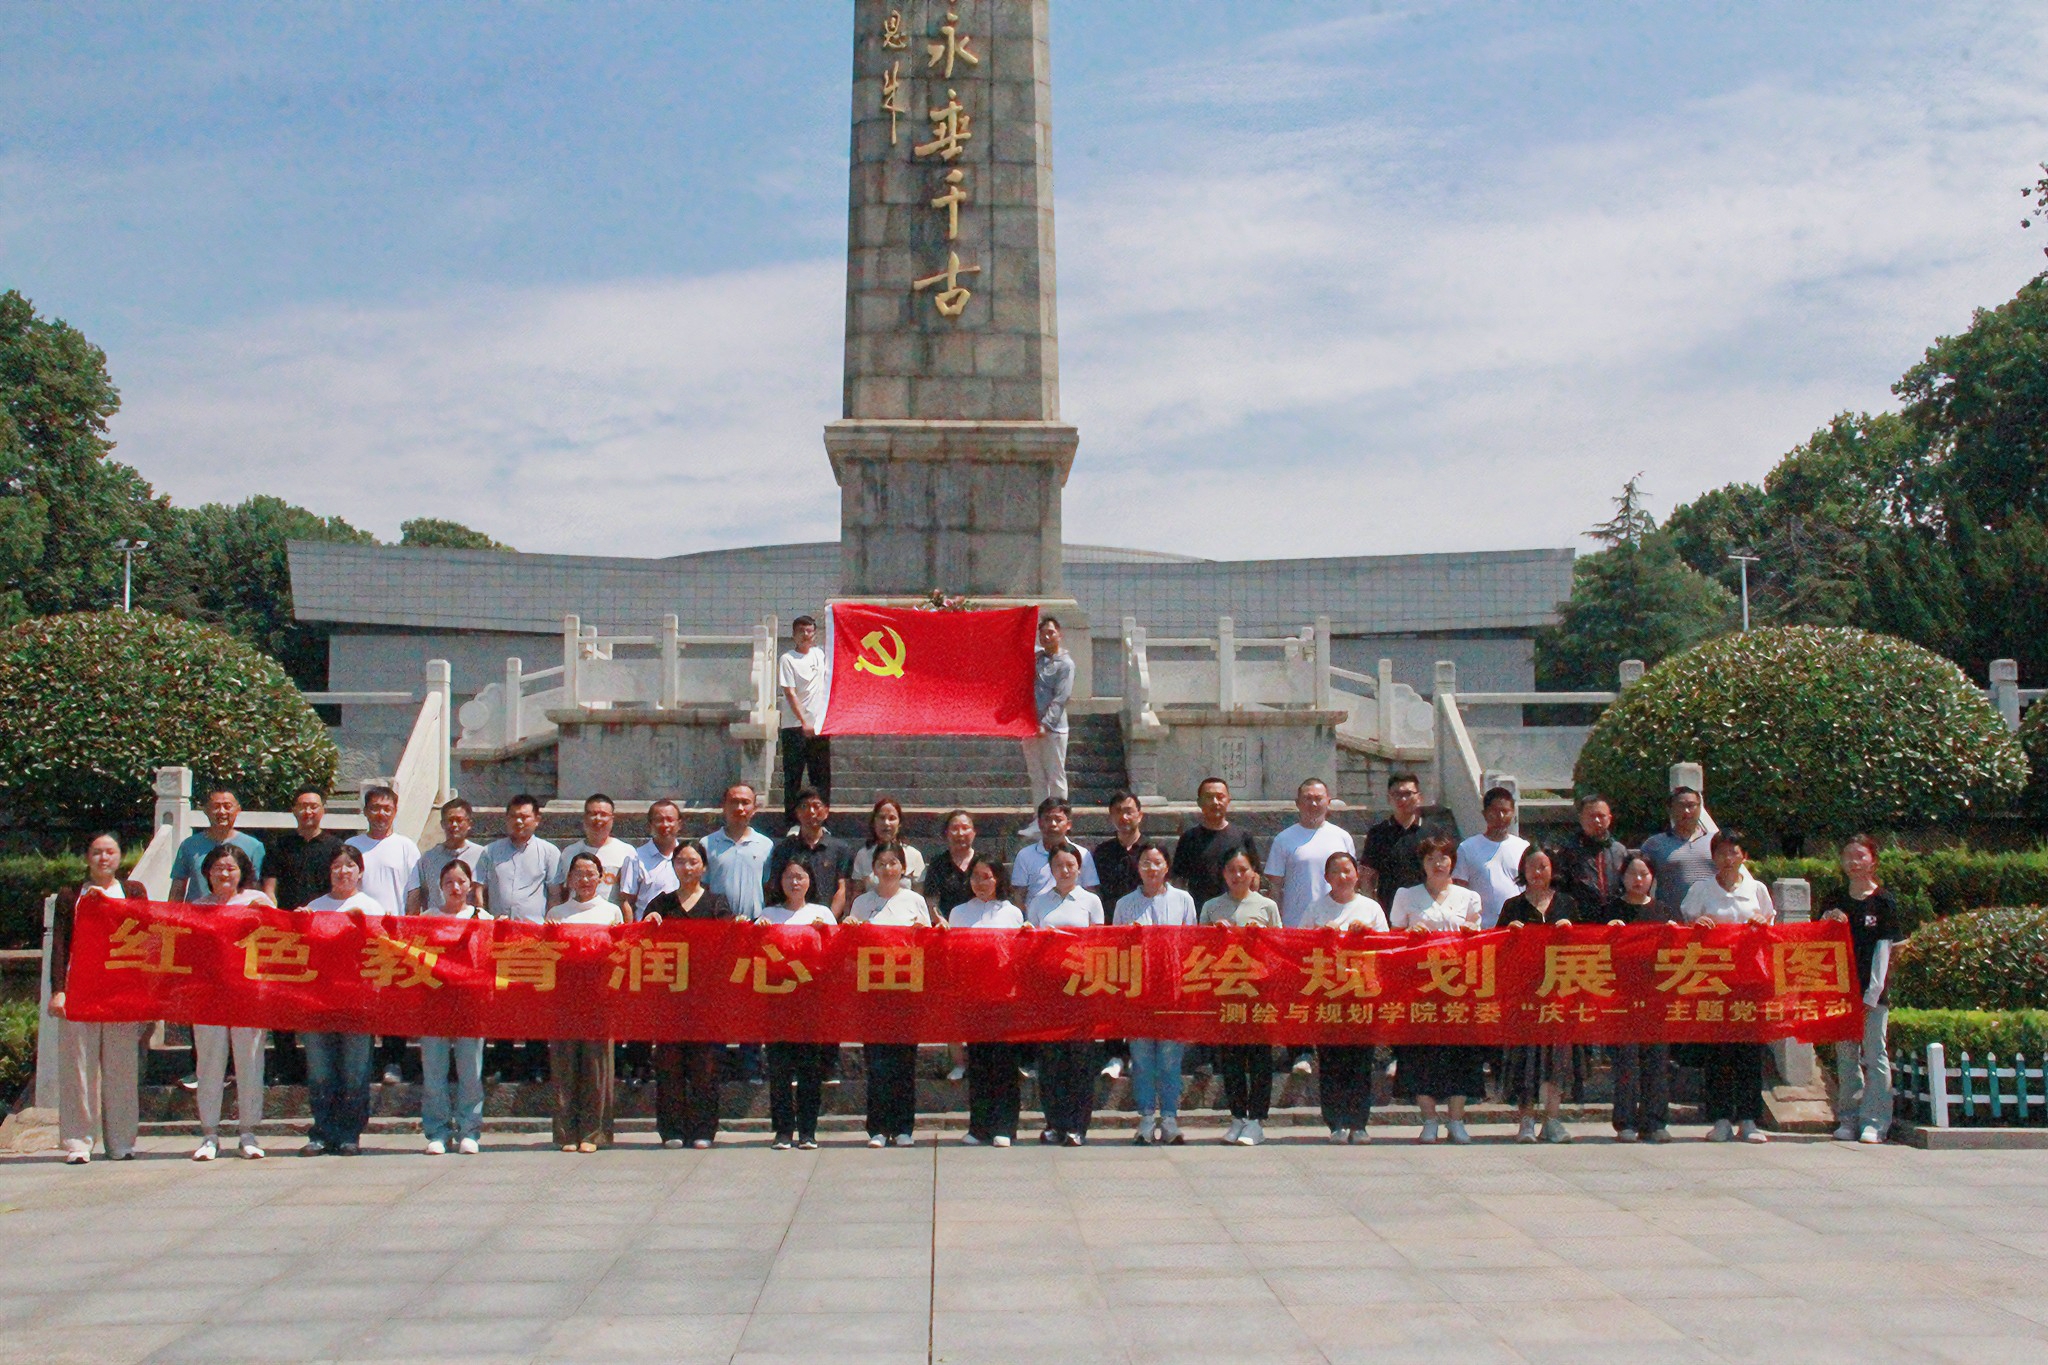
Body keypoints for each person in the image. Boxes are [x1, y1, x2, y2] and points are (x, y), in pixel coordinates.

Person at [49, 833, 147, 1164]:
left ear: (120, 857)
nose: (103, 858)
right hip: (81, 989)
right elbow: (60, 944)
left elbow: (145, 935)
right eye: (96, 852)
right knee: (79, 1068)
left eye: (110, 852)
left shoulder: (133, 892)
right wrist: (58, 990)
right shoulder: (71, 895)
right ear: (87, 857)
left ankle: (121, 1142)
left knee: (122, 1068)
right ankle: (78, 1142)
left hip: (121, 992)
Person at [1680, 829, 1776, 1143]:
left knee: (1749, 1050)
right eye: (1722, 852)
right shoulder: (1701, 889)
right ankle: (1720, 1118)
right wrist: (1697, 926)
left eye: (1734, 852)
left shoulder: (1757, 889)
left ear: (1744, 856)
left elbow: (1772, 929)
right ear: (1713, 856)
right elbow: (1684, 929)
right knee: (1718, 1051)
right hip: (1714, 981)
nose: (1728, 858)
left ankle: (1749, 1119)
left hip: (1750, 981)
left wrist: (1762, 924)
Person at [1389, 835, 1485, 1144]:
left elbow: (1480, 938)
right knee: (1420, 1054)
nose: (1438, 864)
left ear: (1453, 862)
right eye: (1431, 858)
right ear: (1422, 864)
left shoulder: (1468, 897)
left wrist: (1472, 933)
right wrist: (1409, 934)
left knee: (1461, 1053)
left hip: (1458, 987)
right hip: (1420, 988)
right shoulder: (1406, 895)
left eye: (1443, 858)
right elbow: (1393, 938)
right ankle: (1429, 1119)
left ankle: (1456, 1120)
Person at [641, 841, 732, 1149]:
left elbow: (730, 941)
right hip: (668, 998)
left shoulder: (717, 903)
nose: (687, 867)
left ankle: (704, 1129)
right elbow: (642, 946)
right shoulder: (661, 904)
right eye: (681, 861)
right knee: (669, 1065)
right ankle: (672, 1130)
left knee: (705, 1067)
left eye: (693, 862)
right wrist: (648, 926)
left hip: (706, 999)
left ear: (703, 867)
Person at [1265, 777, 1357, 1074]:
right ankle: (1300, 1051)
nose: (1314, 803)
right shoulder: (1284, 839)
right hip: (1297, 928)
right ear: (1297, 803)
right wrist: (1278, 927)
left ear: (1329, 801)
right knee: (1299, 992)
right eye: (1308, 798)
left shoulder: (1342, 837)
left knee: (1334, 989)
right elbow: (1275, 887)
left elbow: (1352, 880)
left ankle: (1335, 1049)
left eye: (1319, 798)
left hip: (1337, 927)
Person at [189, 844, 275, 1161]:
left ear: (242, 872)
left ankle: (248, 1132)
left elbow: (280, 938)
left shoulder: (258, 901)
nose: (224, 873)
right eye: (218, 868)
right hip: (208, 996)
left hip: (248, 995)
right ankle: (209, 1134)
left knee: (250, 1062)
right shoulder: (197, 907)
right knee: (209, 1065)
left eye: (231, 868)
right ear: (207, 873)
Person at [846, 844, 935, 1147]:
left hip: (906, 992)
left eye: (893, 862)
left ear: (903, 867)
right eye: (881, 864)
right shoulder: (862, 903)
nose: (887, 869)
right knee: (877, 1063)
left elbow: (928, 946)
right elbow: (852, 948)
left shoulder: (915, 901)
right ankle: (878, 1128)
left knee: (904, 1063)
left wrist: (923, 932)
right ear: (873, 869)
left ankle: (904, 1127)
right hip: (873, 992)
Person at [299, 845, 382, 1156]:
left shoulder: (372, 907)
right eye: (337, 865)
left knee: (354, 1072)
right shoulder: (315, 907)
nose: (343, 871)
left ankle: (350, 1134)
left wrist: (365, 927)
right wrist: (298, 924)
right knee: (320, 1071)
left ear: (360, 872)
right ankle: (321, 1132)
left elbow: (382, 951)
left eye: (350, 865)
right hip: (318, 1001)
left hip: (357, 1003)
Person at [1113, 844, 1197, 1145]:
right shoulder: (1125, 904)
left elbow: (1192, 944)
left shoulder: (1183, 900)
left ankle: (1170, 1118)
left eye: (1157, 862)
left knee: (1170, 1059)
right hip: (1139, 993)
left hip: (1172, 992)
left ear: (1167, 867)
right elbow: (1115, 950)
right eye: (1145, 863)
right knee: (1142, 1059)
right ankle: (1146, 1118)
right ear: (1138, 868)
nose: (1151, 869)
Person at [474, 794, 561, 1083]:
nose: (519, 821)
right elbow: (480, 891)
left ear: (537, 819)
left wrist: (548, 928)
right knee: (502, 1003)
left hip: (535, 939)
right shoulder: (490, 852)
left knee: (535, 1004)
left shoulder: (549, 852)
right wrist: (486, 921)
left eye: (525, 816)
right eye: (513, 816)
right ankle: (502, 1063)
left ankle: (537, 1065)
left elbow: (555, 894)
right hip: (500, 939)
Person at [1496, 846, 1580, 1144]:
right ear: (1523, 870)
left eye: (1543, 866)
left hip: (1559, 993)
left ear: (1552, 869)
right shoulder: (1513, 906)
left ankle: (1553, 1120)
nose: (1537, 872)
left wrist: (1572, 930)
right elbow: (1496, 949)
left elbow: (1587, 947)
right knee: (1525, 1060)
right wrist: (1508, 933)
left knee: (1557, 1059)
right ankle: (1526, 1121)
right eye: (1532, 866)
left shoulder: (1567, 903)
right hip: (1525, 996)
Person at [1304, 850, 1388, 1143]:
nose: (1342, 876)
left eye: (1347, 870)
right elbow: (1300, 947)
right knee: (1331, 1061)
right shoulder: (1316, 908)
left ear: (1357, 874)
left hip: (1362, 994)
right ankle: (1336, 1123)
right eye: (1335, 871)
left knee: (1361, 1061)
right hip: (1329, 994)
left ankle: (1359, 1123)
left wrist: (1367, 933)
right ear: (1326, 877)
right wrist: (1320, 935)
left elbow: (1387, 947)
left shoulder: (1370, 908)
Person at [263, 786, 344, 1085]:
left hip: (324, 934)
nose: (308, 811)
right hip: (287, 933)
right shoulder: (280, 846)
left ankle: (324, 1065)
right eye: (303, 806)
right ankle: (286, 1065)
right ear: (294, 810)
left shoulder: (335, 847)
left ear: (323, 810)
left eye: (314, 806)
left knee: (322, 1000)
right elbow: (269, 888)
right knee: (282, 1001)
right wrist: (275, 917)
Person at [1025, 845, 1105, 1146]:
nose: (1066, 870)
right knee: (1050, 1061)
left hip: (1081, 990)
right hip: (1049, 992)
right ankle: (1054, 1123)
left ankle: (1077, 1125)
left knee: (1080, 1061)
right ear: (1051, 869)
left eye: (1071, 864)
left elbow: (1100, 943)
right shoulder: (1039, 902)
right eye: (1059, 865)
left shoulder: (1091, 901)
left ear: (1079, 868)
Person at [1199, 849, 1281, 1144]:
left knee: (1259, 1058)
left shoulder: (1267, 906)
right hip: (1227, 991)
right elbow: (1198, 949)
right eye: (1231, 870)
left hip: (1259, 993)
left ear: (1253, 872)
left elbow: (1280, 948)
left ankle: (1257, 1119)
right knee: (1231, 1058)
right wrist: (1214, 933)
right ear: (1223, 874)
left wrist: (1262, 937)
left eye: (1243, 869)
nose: (1237, 875)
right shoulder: (1212, 907)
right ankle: (1237, 1117)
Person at [547, 852, 624, 1152]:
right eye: (578, 873)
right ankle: (566, 1133)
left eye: (591, 873)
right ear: (569, 879)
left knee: (597, 1068)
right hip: (564, 999)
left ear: (601, 877)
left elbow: (620, 954)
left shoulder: (611, 912)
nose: (585, 879)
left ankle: (593, 1134)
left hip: (599, 1000)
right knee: (564, 1065)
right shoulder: (557, 913)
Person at [947, 855, 1025, 1146]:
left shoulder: (1012, 913)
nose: (980, 883)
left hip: (1004, 998)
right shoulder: (958, 913)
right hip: (972, 997)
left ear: (998, 879)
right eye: (975, 877)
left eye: (986, 877)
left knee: (1003, 1063)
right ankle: (979, 1127)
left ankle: (1005, 1126)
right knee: (979, 1062)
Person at [347, 785, 421, 1086]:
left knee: (393, 1004)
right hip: (359, 936)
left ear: (395, 811)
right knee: (361, 1000)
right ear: (365, 811)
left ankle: (393, 1061)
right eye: (375, 808)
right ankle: (361, 1062)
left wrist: (409, 929)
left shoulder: (406, 847)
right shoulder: (352, 845)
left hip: (395, 937)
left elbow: (414, 892)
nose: (381, 814)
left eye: (386, 808)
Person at [759, 859, 836, 1150]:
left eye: (800, 877)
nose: (794, 883)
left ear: (809, 881)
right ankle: (782, 1131)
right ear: (780, 881)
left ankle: (807, 1130)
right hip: (777, 1001)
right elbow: (755, 952)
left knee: (809, 1071)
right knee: (779, 1070)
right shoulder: (769, 914)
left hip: (811, 1001)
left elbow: (835, 953)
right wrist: (756, 930)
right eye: (789, 877)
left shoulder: (822, 913)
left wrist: (825, 932)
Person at [1825, 834, 1896, 1145]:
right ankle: (1849, 1118)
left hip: (1872, 994)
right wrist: (1827, 919)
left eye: (1860, 856)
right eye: (1848, 856)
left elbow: (1885, 950)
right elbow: (1818, 942)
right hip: (1840, 991)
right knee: (1845, 1056)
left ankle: (1875, 1122)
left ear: (1873, 861)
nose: (1854, 862)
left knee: (1875, 1054)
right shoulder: (1834, 898)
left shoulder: (1883, 901)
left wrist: (1872, 993)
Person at [1604, 851, 1676, 1143]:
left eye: (1644, 874)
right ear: (1622, 877)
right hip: (1621, 997)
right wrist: (1607, 934)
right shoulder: (1610, 911)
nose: (1638, 879)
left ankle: (1655, 1122)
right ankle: (1625, 1122)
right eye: (1632, 873)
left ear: (1652, 877)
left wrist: (1674, 934)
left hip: (1655, 996)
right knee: (1626, 1061)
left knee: (1656, 1060)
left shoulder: (1662, 911)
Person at [419, 858, 488, 1155]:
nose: (455, 887)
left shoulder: (483, 918)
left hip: (470, 1003)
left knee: (470, 1071)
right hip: (434, 1003)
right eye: (449, 882)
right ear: (440, 886)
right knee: (434, 1071)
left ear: (470, 885)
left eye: (461, 882)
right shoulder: (427, 918)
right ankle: (438, 1131)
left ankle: (469, 1130)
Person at [1092, 791, 1148, 1081]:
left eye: (1129, 811)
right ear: (1111, 816)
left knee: (1142, 996)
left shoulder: (1151, 851)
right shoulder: (1102, 853)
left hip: (1146, 935)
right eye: (1118, 812)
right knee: (1113, 995)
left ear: (1140, 814)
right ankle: (1114, 1053)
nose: (1124, 817)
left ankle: (1138, 1052)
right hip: (1112, 933)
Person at [923, 808, 981, 1083]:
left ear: (974, 832)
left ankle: (981, 1058)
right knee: (953, 1003)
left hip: (981, 939)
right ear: (946, 834)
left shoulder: (983, 862)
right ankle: (958, 1061)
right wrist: (940, 922)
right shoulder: (938, 864)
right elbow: (931, 901)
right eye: (954, 828)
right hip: (948, 940)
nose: (960, 833)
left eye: (965, 827)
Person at [1171, 776, 1260, 909]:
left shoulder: (1242, 836)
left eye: (1220, 797)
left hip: (1237, 912)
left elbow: (1256, 876)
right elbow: (1178, 879)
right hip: (1200, 912)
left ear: (1228, 800)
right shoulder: (1189, 838)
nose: (1215, 802)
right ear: (1199, 802)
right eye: (1209, 797)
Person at [778, 613, 832, 829]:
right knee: (794, 777)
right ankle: (792, 823)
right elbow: (790, 693)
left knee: (821, 777)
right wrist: (804, 722)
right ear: (794, 635)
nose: (806, 635)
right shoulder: (788, 659)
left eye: (809, 631)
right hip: (794, 727)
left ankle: (822, 821)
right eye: (801, 631)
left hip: (819, 728)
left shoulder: (820, 655)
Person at [766, 788, 853, 921]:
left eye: (816, 806)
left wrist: (827, 921)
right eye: (804, 806)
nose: (811, 812)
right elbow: (775, 886)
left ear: (826, 811)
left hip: (827, 922)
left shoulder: (840, 849)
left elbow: (842, 889)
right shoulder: (784, 848)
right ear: (797, 812)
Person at [169, 787, 266, 901]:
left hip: (237, 910)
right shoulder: (189, 845)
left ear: (238, 809)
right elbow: (178, 887)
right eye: (216, 806)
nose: (221, 811)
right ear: (206, 810)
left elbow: (256, 888)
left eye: (227, 806)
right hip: (197, 910)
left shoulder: (254, 846)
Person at [1453, 785, 1528, 930]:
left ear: (1513, 813)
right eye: (1495, 811)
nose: (1500, 817)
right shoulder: (1467, 848)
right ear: (1485, 814)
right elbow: (1459, 891)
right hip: (1482, 929)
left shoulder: (1523, 847)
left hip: (1517, 928)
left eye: (1505, 811)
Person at [1021, 614, 1074, 817]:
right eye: (1042, 633)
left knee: (1055, 776)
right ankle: (1040, 818)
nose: (1046, 637)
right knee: (1036, 776)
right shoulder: (1036, 658)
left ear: (1059, 634)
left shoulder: (1066, 664)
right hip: (1029, 725)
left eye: (1051, 632)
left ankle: (1059, 818)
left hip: (1054, 729)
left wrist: (1045, 723)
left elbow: (1061, 698)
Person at [1362, 773, 1444, 905]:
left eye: (1408, 794)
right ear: (1389, 798)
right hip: (1389, 909)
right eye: (1397, 794)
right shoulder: (1378, 834)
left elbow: (1444, 872)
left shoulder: (1433, 832)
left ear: (1419, 797)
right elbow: (1368, 876)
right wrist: (1371, 907)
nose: (1403, 799)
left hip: (1426, 909)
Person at [1642, 786, 1716, 918]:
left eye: (1691, 805)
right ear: (1670, 809)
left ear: (1700, 807)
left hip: (1712, 921)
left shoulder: (1716, 842)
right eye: (1681, 806)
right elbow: (1641, 884)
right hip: (1672, 922)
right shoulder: (1654, 845)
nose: (1687, 811)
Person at [703, 783, 774, 923]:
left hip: (755, 924)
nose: (739, 808)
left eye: (745, 802)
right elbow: (702, 886)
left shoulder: (766, 845)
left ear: (754, 808)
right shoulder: (707, 844)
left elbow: (767, 885)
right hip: (718, 924)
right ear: (723, 806)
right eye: (734, 802)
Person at [1010, 798, 1099, 907]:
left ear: (1068, 824)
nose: (1052, 824)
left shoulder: (1082, 854)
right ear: (1039, 823)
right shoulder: (1025, 855)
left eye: (1058, 819)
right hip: (1037, 914)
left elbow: (1090, 890)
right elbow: (1019, 895)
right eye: (1047, 819)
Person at [406, 797, 483, 913]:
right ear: (442, 824)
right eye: (450, 820)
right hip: (437, 921)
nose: (454, 825)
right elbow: (422, 896)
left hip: (470, 922)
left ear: (469, 824)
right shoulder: (429, 859)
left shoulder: (481, 855)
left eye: (459, 820)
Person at [553, 793, 631, 905]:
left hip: (611, 915)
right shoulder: (570, 852)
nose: (598, 819)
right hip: (576, 914)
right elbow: (562, 893)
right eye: (593, 814)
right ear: (584, 818)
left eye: (603, 814)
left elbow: (629, 899)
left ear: (612, 819)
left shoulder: (626, 852)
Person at [1555, 794, 1627, 909]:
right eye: (1591, 816)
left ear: (1609, 818)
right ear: (1581, 819)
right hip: (1580, 916)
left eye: (1601, 816)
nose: (1597, 821)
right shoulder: (1569, 852)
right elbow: (1560, 889)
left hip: (1615, 916)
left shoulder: (1619, 851)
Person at [617, 798, 685, 918]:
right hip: (647, 926)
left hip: (681, 926)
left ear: (679, 824)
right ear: (649, 825)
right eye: (659, 820)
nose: (665, 825)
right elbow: (627, 901)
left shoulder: (689, 858)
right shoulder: (636, 858)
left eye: (670, 820)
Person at [849, 796, 924, 896]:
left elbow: (919, 894)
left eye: (892, 818)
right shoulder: (863, 855)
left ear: (899, 823)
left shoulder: (913, 855)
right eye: (881, 818)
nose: (886, 823)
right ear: (874, 822)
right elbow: (857, 893)